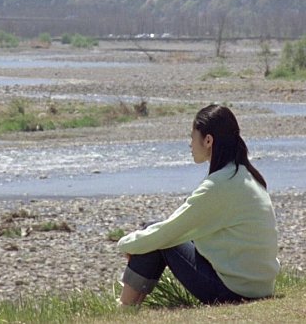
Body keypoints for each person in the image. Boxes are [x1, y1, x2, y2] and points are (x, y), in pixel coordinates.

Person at [116, 104, 279, 306]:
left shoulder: (218, 186)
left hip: (234, 292)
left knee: (156, 236)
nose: (190, 144)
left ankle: (125, 308)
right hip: (261, 287)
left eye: (192, 137)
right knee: (154, 235)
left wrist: (126, 245)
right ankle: (130, 305)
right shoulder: (246, 176)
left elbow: (168, 231)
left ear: (208, 140)